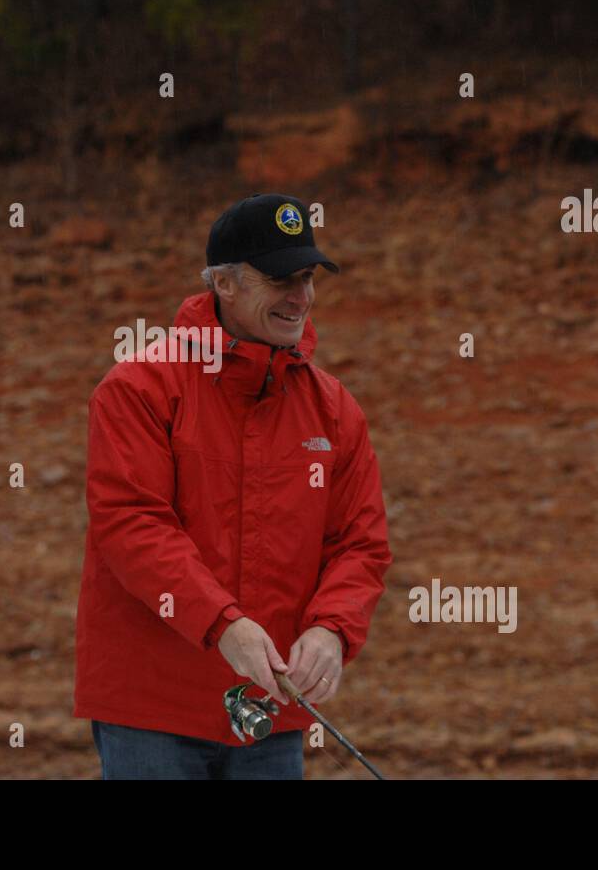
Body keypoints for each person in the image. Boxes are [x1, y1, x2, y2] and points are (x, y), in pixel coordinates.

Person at [75, 193, 393, 779]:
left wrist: (332, 628)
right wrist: (222, 623)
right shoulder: (139, 389)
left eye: (307, 277)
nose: (299, 296)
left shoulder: (333, 408)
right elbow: (132, 525)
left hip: (271, 708)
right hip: (153, 705)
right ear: (223, 284)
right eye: (279, 280)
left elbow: (359, 542)